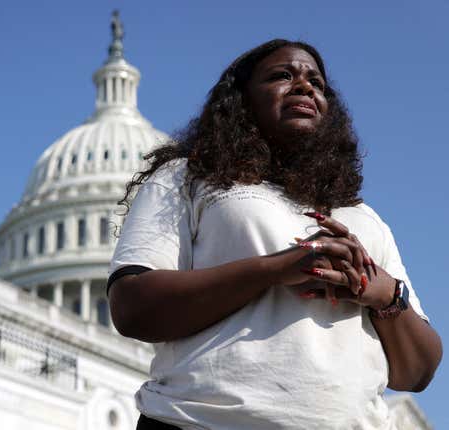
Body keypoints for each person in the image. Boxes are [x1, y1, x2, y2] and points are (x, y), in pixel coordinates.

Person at [107, 39, 442, 429]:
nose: (304, 86)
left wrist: (384, 292)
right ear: (241, 101)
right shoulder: (188, 178)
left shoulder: (363, 218)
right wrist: (278, 268)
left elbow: (417, 373)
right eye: (282, 75)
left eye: (316, 82)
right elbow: (132, 309)